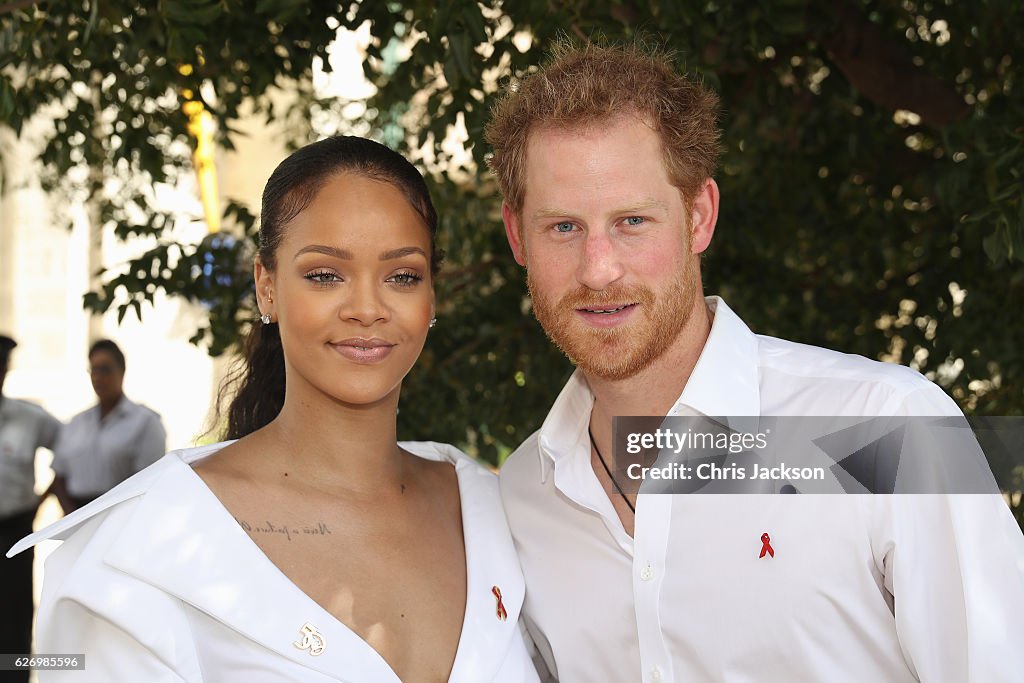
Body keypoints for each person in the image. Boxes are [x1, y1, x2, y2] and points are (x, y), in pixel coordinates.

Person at [486, 40, 1024, 682]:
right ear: (518, 236)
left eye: (632, 220)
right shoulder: (519, 498)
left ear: (699, 217)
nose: (599, 270)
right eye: (563, 228)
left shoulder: (889, 429)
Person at [8, 136, 539, 682]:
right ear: (266, 287)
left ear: (432, 296)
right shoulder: (139, 546)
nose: (366, 308)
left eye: (402, 275)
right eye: (324, 274)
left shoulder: (493, 513)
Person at [0, 335, 62, 681]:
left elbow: (70, 452)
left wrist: (47, 497)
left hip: (14, 532)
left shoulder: (28, 417)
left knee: (15, 616)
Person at [46, 339, 166, 512]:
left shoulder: (145, 422)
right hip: (76, 513)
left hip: (121, 515)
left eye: (104, 370)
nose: (97, 378)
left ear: (122, 372)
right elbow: (59, 476)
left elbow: (150, 482)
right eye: (93, 370)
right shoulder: (76, 423)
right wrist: (71, 514)